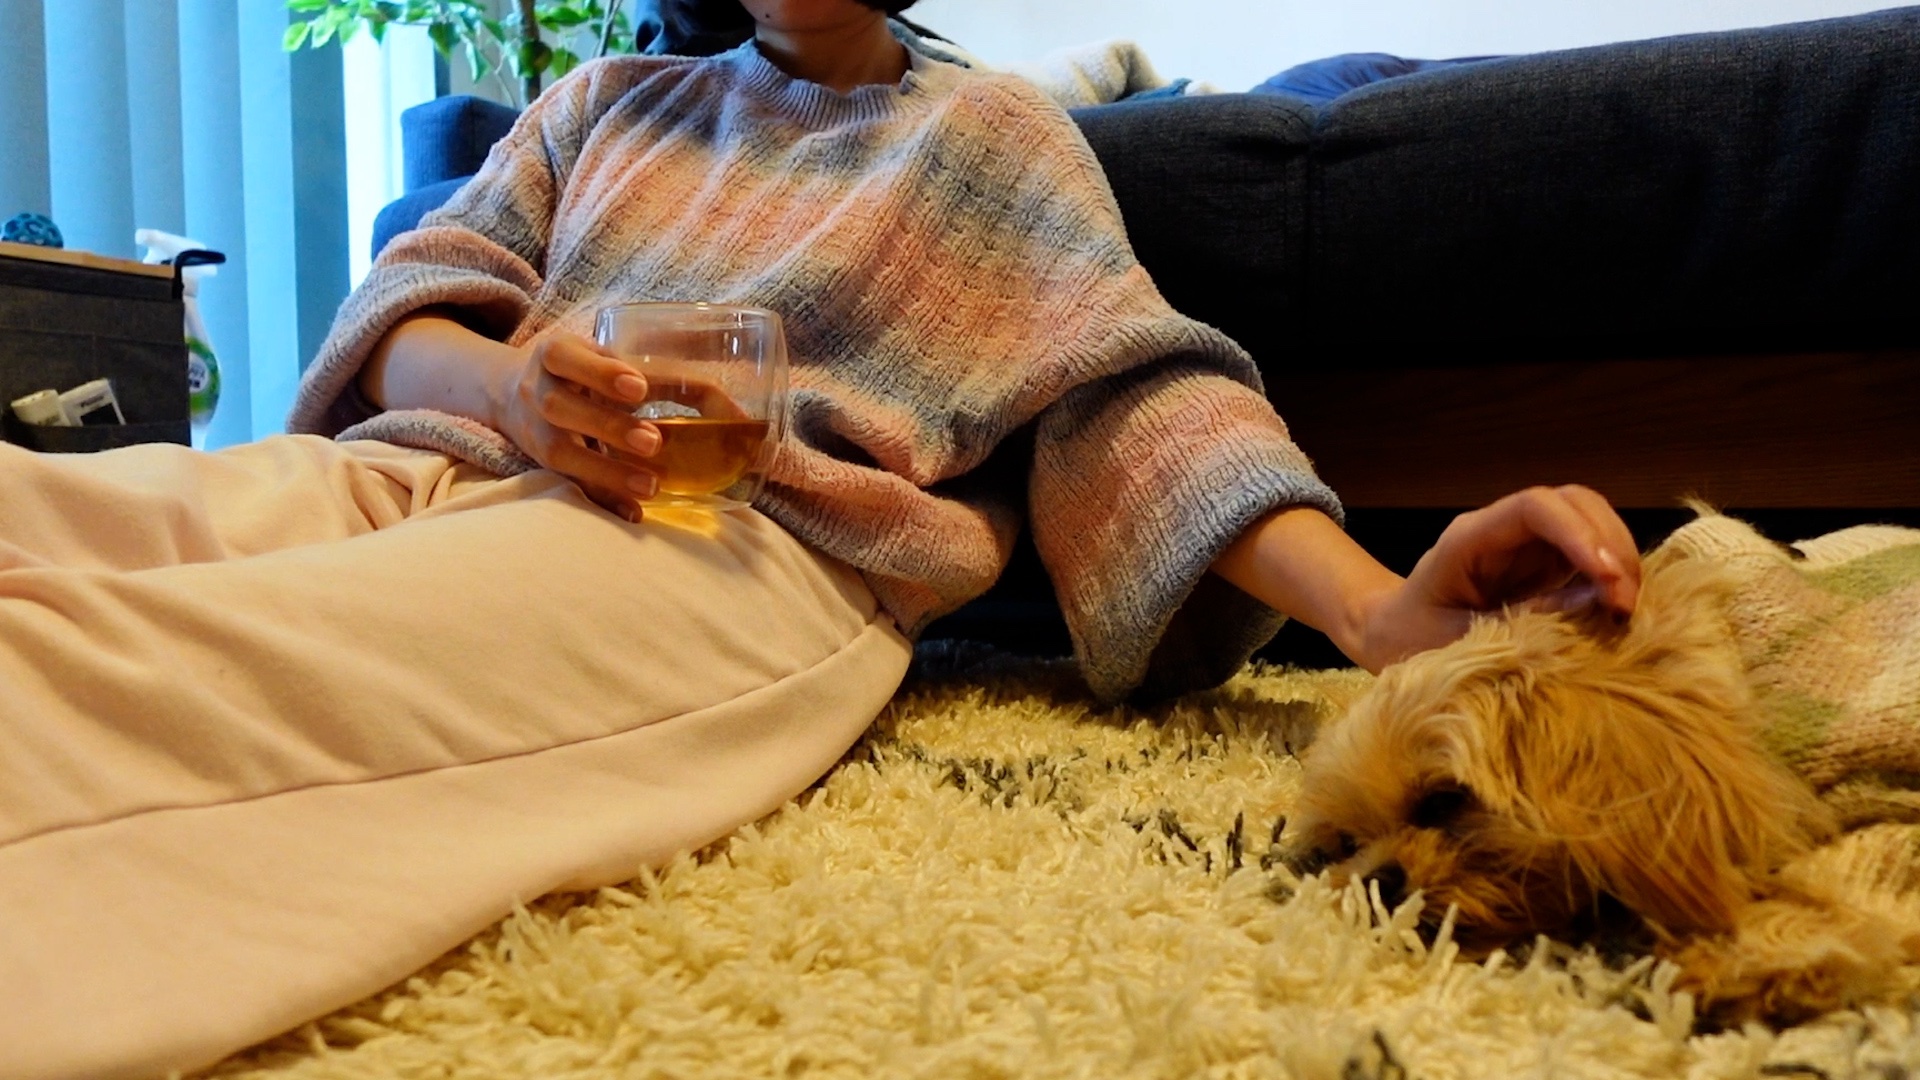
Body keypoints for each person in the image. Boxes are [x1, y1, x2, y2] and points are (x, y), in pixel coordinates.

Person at [0, 1, 1638, 1075]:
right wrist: (505, 385)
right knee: (63, 503)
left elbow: (1137, 404)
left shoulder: (992, 138)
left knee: (172, 677)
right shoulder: (599, 103)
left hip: (733, 546)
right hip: (421, 465)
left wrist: (1377, 615)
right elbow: (412, 301)